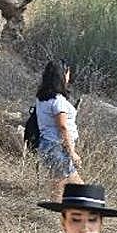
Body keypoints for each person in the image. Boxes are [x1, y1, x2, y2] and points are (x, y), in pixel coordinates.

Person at [33, 59, 82, 200]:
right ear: (62, 75)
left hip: (47, 145)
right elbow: (62, 126)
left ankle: (58, 214)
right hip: (57, 148)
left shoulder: (42, 97)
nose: (69, 77)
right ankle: (59, 215)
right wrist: (72, 152)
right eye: (67, 73)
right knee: (67, 186)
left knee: (60, 184)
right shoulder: (58, 101)